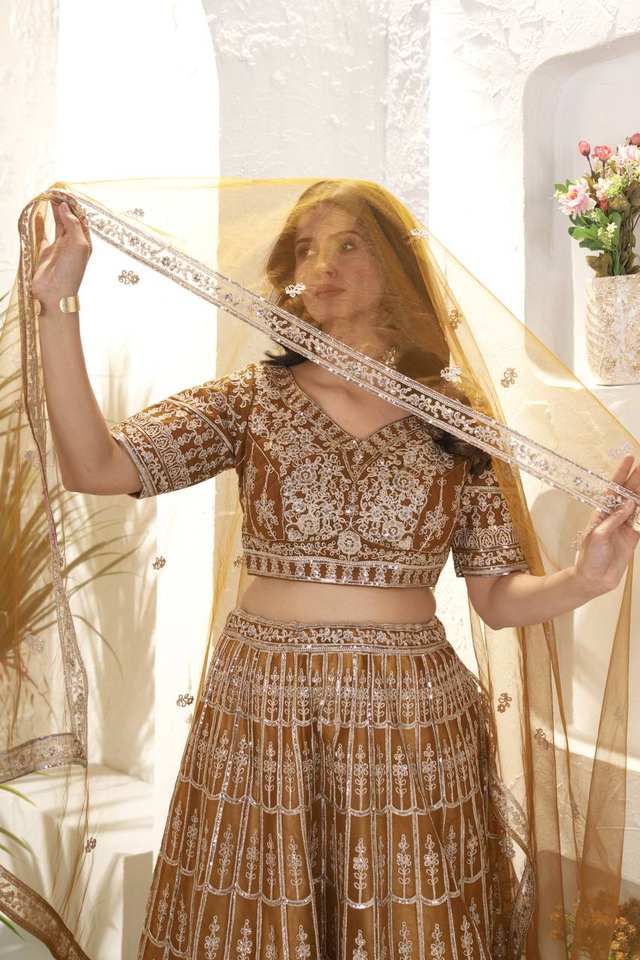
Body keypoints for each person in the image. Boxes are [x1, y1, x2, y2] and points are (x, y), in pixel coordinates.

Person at [28, 182, 640, 959]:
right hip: (263, 705)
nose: (322, 265)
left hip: (411, 715)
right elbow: (95, 466)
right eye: (306, 249)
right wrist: (60, 307)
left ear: (397, 268)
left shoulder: (457, 422)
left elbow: (494, 596)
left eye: (348, 244)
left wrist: (586, 579)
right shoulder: (250, 401)